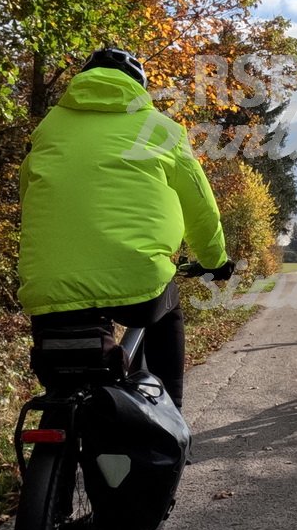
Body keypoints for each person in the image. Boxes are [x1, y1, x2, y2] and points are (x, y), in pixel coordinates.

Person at [17, 48, 234, 408]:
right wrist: (215, 261)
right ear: (138, 87)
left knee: (64, 370)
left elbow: (28, 196)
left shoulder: (48, 129)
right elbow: (200, 207)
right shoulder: (163, 130)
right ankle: (173, 409)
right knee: (167, 303)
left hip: (48, 282)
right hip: (138, 279)